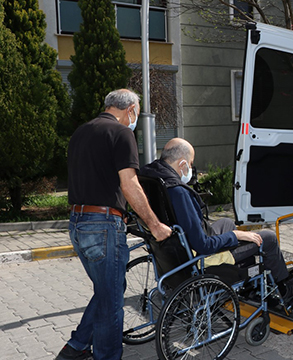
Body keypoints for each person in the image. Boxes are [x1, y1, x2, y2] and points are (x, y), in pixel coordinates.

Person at [58, 89, 172, 360]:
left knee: (109, 289)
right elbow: (130, 183)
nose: (135, 118)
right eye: (137, 111)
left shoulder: (81, 132)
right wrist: (154, 225)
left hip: (77, 223)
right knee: (111, 303)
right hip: (103, 226)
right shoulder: (122, 134)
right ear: (130, 110)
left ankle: (77, 346)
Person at [139, 138, 293, 303]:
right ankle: (284, 289)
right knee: (268, 238)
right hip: (200, 257)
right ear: (182, 164)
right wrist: (235, 235)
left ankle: (247, 287)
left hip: (175, 250)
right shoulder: (178, 192)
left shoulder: (155, 181)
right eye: (190, 163)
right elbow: (204, 245)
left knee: (226, 222)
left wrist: (232, 233)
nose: (191, 168)